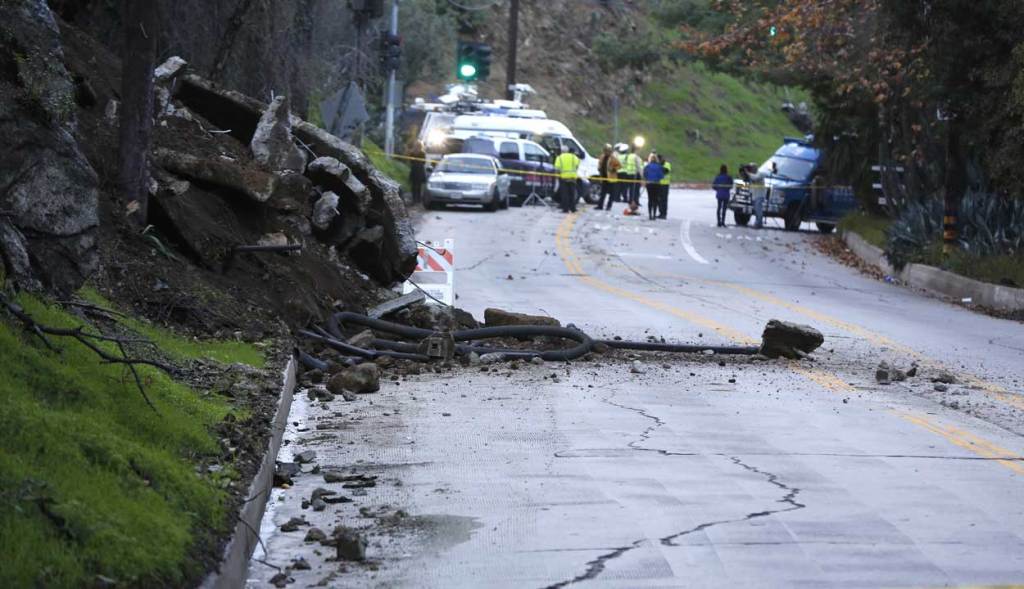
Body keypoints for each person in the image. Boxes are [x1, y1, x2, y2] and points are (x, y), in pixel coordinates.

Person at [553, 144, 581, 213]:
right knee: (572, 193)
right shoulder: (573, 156)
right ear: (568, 150)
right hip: (572, 177)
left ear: (561, 151)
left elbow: (557, 169)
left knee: (565, 194)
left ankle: (565, 209)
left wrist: (557, 176)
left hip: (564, 178)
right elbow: (577, 165)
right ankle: (573, 209)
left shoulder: (559, 158)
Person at [596, 144, 621, 210]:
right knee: (602, 193)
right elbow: (599, 163)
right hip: (604, 177)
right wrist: (599, 168)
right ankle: (600, 205)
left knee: (611, 194)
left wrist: (613, 169)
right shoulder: (602, 157)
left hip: (611, 178)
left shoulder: (613, 158)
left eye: (607, 151)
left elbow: (619, 166)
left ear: (610, 151)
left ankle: (609, 206)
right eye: (605, 151)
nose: (606, 152)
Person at [642, 153, 665, 220]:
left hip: (649, 184)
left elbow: (645, 175)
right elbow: (661, 176)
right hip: (657, 184)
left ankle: (650, 215)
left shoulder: (647, 166)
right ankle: (654, 215)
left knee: (650, 199)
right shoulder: (659, 167)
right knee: (655, 199)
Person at [619, 143, 642, 209]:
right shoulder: (636, 157)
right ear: (636, 150)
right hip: (635, 174)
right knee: (635, 189)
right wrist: (642, 176)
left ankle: (630, 200)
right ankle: (634, 202)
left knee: (630, 189)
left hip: (628, 173)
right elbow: (639, 167)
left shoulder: (628, 156)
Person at [408, 140, 427, 205]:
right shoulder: (422, 153)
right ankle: (418, 199)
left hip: (414, 169)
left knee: (414, 186)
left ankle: (414, 199)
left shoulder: (412, 153)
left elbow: (411, 162)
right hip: (420, 170)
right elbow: (424, 162)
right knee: (418, 186)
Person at [658, 154, 672, 219]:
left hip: (665, 185)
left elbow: (666, 171)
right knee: (659, 200)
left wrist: (660, 166)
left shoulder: (667, 164)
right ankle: (660, 213)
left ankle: (664, 214)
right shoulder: (658, 165)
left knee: (664, 200)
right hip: (658, 184)